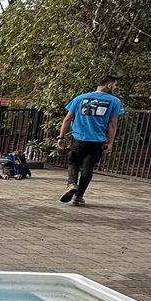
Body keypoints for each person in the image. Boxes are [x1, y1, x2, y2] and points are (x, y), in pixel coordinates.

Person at [57, 74, 124, 206]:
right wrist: (110, 143)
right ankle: (78, 196)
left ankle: (71, 184)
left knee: (74, 162)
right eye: (115, 84)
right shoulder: (114, 101)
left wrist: (61, 137)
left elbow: (67, 119)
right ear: (109, 84)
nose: (115, 87)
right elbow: (113, 124)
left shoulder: (80, 98)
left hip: (79, 138)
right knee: (88, 168)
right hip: (97, 141)